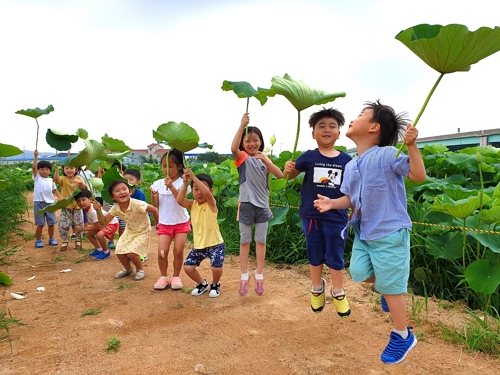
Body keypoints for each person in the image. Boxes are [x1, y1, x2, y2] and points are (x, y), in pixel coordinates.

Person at [314, 100, 426, 364]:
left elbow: (418, 175)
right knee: (359, 273)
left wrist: (411, 145)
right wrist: (332, 203)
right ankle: (389, 289)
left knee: (391, 285)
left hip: (389, 231)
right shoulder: (352, 165)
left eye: (361, 115)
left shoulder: (387, 154)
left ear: (374, 127)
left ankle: (402, 335)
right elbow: (350, 198)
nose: (353, 119)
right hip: (364, 232)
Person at [283, 108, 351, 317]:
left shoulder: (347, 160)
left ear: (338, 132)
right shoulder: (309, 156)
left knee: (335, 255)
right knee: (314, 253)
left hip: (337, 216)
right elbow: (291, 175)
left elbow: (353, 190)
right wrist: (288, 168)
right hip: (311, 216)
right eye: (321, 126)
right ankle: (316, 288)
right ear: (313, 133)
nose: (326, 130)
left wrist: (355, 213)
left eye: (332, 126)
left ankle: (338, 292)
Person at [231, 113, 283, 296]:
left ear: (261, 141)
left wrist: (267, 160)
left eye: (255, 140)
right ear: (243, 144)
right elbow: (233, 147)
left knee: (261, 241)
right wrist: (241, 124)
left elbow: (280, 175)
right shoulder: (242, 158)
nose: (252, 143)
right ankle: (244, 275)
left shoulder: (263, 159)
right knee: (245, 241)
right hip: (245, 205)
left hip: (262, 207)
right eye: (248, 141)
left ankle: (259, 273)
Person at [95, 180, 159, 280]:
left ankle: (140, 270)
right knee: (119, 251)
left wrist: (158, 224)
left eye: (124, 189)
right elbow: (104, 222)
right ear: (112, 197)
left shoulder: (137, 204)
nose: (121, 192)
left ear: (130, 192)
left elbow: (154, 210)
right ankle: (128, 269)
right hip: (129, 231)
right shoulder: (116, 208)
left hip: (143, 231)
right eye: (117, 191)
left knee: (132, 253)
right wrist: (98, 210)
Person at [177, 168, 225, 298]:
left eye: (202, 188)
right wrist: (186, 184)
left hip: (215, 243)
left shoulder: (211, 203)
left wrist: (194, 178)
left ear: (210, 191)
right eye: (195, 189)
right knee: (188, 267)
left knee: (216, 268)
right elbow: (180, 200)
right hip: (199, 245)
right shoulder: (192, 205)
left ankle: (215, 284)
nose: (199, 192)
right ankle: (202, 283)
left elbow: (207, 195)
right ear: (192, 191)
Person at [149, 149, 191, 290]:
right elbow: (155, 205)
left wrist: (171, 186)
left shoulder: (183, 183)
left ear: (179, 167)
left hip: (181, 222)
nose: (166, 169)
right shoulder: (158, 183)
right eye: (163, 166)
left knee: (178, 251)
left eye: (170, 166)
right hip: (165, 223)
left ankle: (176, 276)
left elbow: (181, 200)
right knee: (162, 251)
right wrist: (154, 197)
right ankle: (163, 276)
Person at [108, 168, 148, 255]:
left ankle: (141, 255)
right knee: (123, 228)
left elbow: (148, 208)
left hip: (140, 222)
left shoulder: (139, 195)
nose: (127, 181)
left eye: (131, 179)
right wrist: (98, 210)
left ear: (137, 182)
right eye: (125, 179)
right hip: (127, 219)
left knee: (136, 247)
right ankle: (124, 246)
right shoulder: (118, 204)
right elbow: (104, 220)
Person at [74, 189, 119, 260]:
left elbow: (97, 226)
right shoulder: (87, 209)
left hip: (111, 224)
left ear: (90, 199)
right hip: (103, 224)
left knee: (99, 235)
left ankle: (106, 252)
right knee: (89, 234)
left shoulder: (93, 211)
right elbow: (96, 225)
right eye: (78, 201)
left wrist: (82, 229)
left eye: (83, 200)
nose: (81, 203)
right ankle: (99, 249)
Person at [53, 162, 87, 251]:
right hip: (66, 206)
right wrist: (56, 169)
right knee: (64, 225)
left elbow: (84, 189)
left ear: (76, 169)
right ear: (63, 170)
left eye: (71, 168)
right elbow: (55, 179)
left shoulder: (79, 178)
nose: (69, 170)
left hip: (77, 206)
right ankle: (65, 240)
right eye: (66, 168)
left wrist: (80, 182)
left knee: (78, 224)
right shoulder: (63, 179)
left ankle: (78, 240)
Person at [32, 150, 62, 248]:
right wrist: (36, 157)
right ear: (38, 170)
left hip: (50, 204)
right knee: (40, 224)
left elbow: (55, 190)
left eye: (47, 169)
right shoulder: (37, 178)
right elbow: (34, 168)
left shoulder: (50, 180)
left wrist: (60, 198)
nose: (44, 171)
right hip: (39, 203)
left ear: (50, 171)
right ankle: (38, 240)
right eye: (42, 169)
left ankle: (51, 238)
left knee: (51, 223)